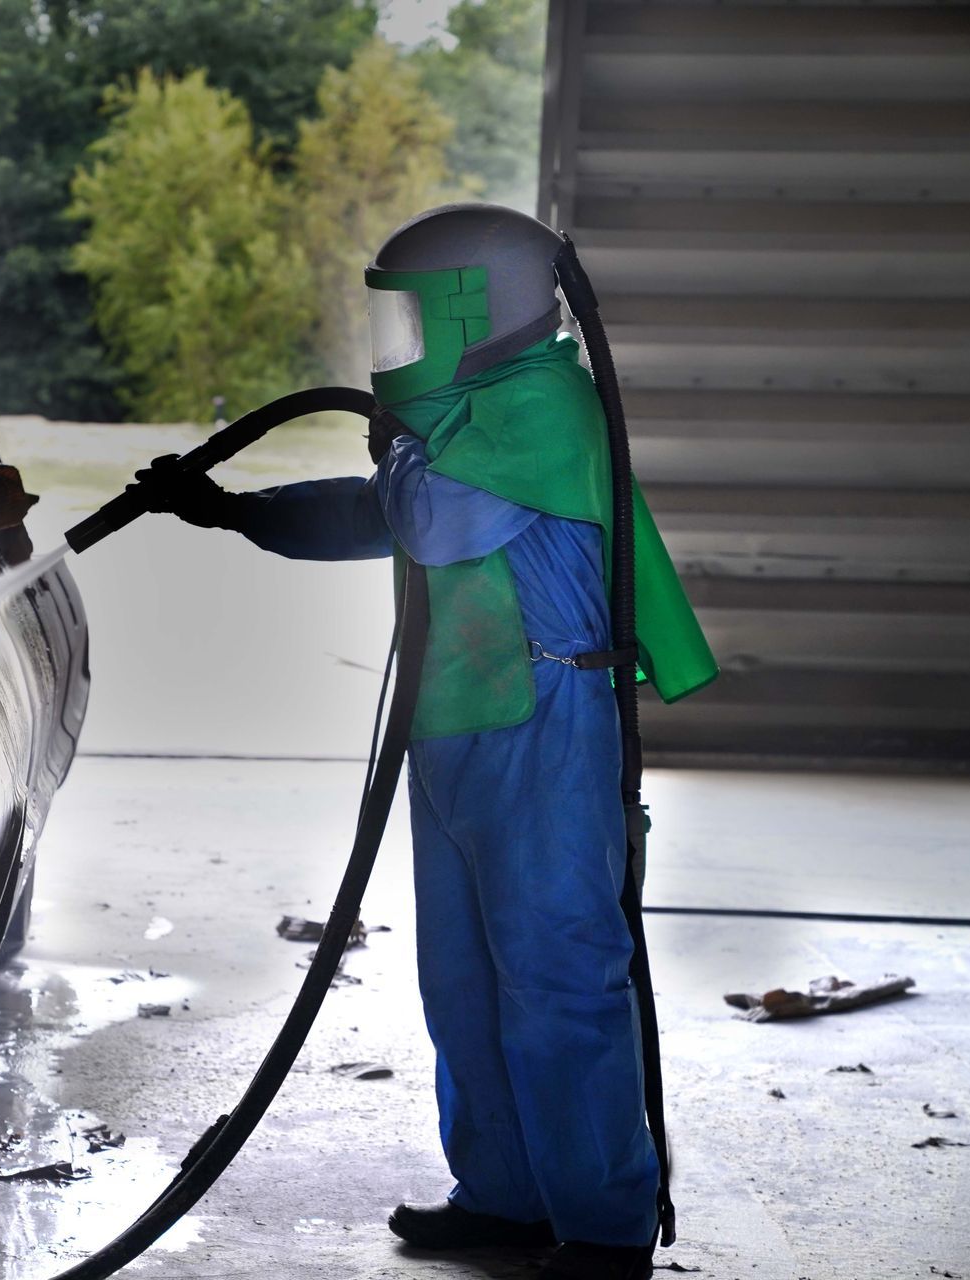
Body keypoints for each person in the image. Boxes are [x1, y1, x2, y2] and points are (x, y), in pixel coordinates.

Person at [132, 204, 716, 1280]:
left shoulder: (543, 401)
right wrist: (230, 510)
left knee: (559, 974)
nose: (394, 340)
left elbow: (432, 520)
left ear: (471, 305)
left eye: (411, 315)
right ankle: (506, 1195)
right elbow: (382, 514)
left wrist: (397, 443)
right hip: (458, 719)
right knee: (465, 978)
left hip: (545, 723)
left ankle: (601, 1224)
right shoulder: (463, 413)